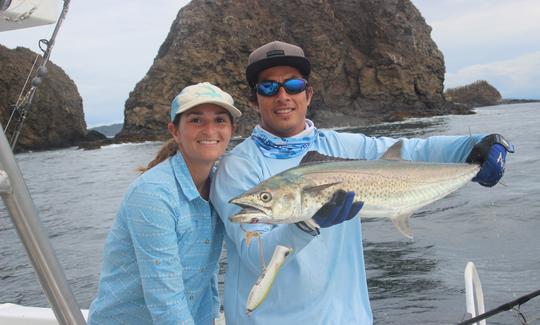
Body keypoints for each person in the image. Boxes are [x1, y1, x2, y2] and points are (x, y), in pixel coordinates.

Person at [210, 41, 514, 325]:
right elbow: (255, 256)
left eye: (293, 84)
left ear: (308, 94)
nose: (282, 96)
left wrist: (477, 145)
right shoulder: (238, 167)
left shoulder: (343, 147)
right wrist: (305, 224)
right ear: (254, 99)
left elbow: (410, 152)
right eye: (268, 87)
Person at [88, 82, 241, 325]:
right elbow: (165, 300)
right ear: (175, 131)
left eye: (220, 120)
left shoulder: (222, 185)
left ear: (232, 129)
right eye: (196, 120)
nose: (210, 130)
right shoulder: (153, 194)